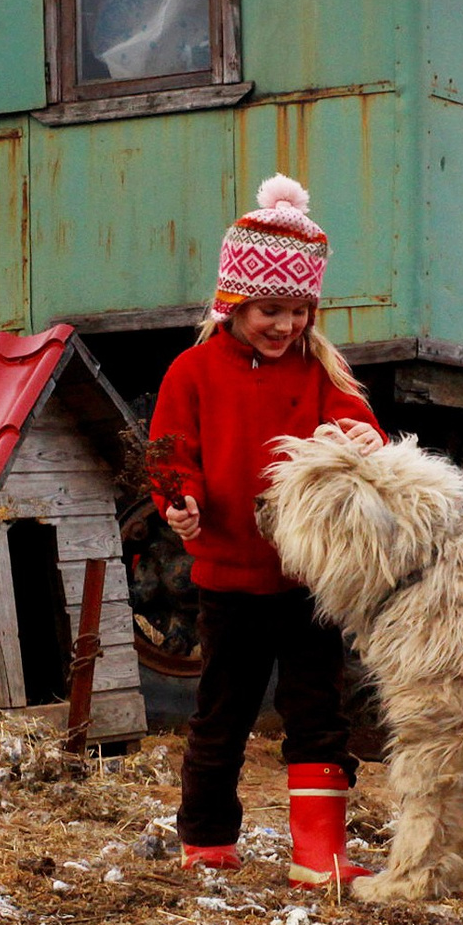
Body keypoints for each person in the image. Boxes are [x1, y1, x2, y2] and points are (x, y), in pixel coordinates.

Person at [150, 174, 382, 888]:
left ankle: (319, 854)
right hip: (227, 579)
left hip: (309, 581)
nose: (283, 326)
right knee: (224, 710)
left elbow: (366, 436)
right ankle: (209, 838)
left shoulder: (321, 373)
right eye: (269, 310)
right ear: (233, 302)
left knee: (319, 710)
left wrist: (369, 458)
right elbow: (168, 451)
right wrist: (179, 500)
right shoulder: (192, 372)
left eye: (298, 311)